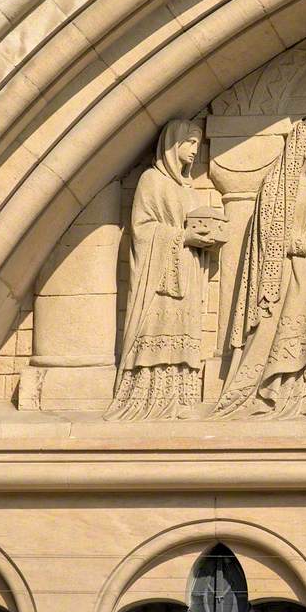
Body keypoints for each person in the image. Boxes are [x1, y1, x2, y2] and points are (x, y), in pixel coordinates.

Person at [212, 117, 306, 418]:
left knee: (305, 334)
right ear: (303, 146)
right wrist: (305, 246)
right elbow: (272, 234)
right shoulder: (277, 184)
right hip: (285, 276)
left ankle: (298, 395)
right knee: (275, 332)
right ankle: (266, 394)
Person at [105, 120, 217, 420]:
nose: (195, 150)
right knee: (159, 330)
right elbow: (143, 230)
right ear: (173, 144)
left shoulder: (188, 188)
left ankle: (181, 397)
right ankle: (151, 396)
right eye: (190, 143)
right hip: (160, 279)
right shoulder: (151, 181)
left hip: (189, 270)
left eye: (198, 144)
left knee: (184, 333)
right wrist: (182, 237)